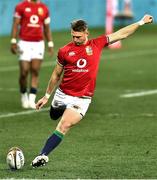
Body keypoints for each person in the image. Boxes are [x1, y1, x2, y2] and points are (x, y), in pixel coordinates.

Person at [31, 14, 153, 167]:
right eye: (73, 36)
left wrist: (141, 22)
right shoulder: (64, 51)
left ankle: (42, 155)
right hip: (62, 94)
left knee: (64, 125)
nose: (75, 40)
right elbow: (56, 74)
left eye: (78, 37)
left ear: (86, 32)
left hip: (82, 99)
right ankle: (57, 108)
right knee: (54, 115)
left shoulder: (97, 44)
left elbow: (122, 33)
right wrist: (47, 96)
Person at [10, 0, 54, 109]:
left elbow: (47, 27)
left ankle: (32, 99)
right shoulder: (21, 6)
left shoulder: (44, 8)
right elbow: (15, 24)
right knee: (24, 71)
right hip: (24, 43)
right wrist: (13, 41)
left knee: (35, 70)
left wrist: (50, 43)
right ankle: (23, 94)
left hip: (38, 44)